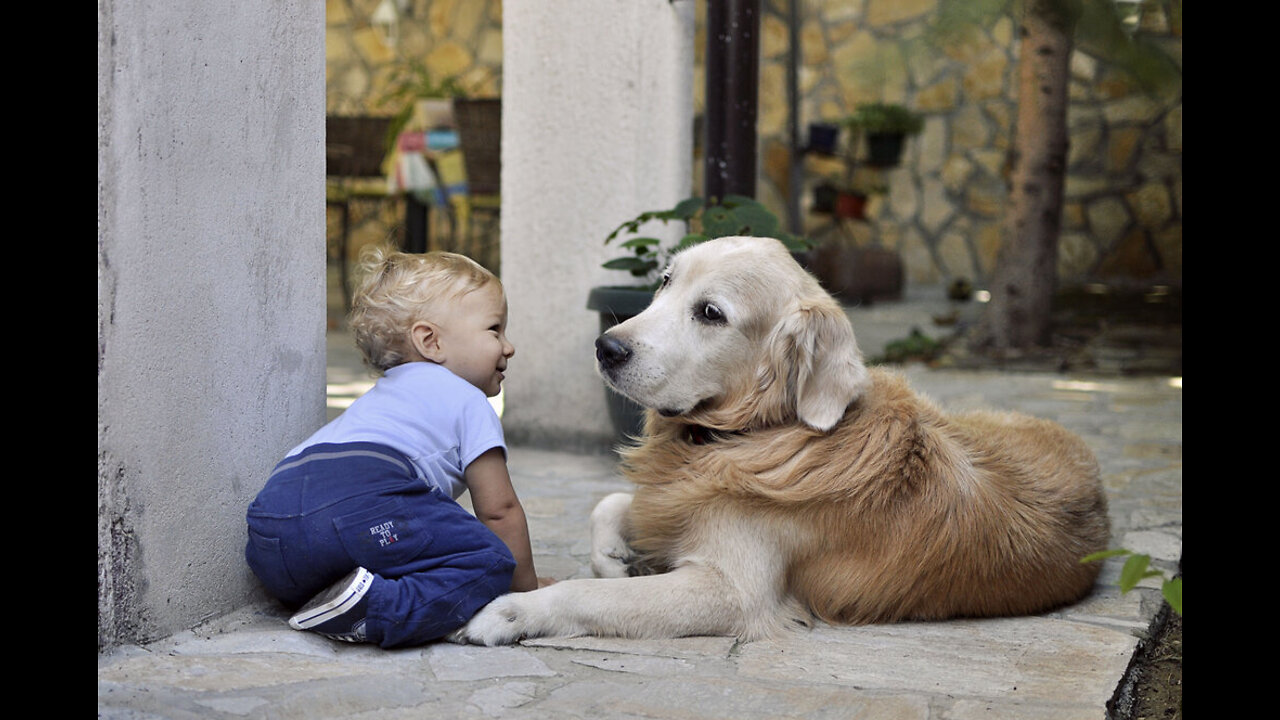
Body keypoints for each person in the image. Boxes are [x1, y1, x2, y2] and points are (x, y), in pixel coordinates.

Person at [245, 247, 546, 648]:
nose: (508, 347)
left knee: (402, 539)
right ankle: (378, 610)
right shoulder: (468, 399)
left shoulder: (381, 398)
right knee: (488, 561)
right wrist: (527, 594)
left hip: (271, 526)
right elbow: (499, 510)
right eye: (495, 330)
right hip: (360, 500)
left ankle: (339, 595)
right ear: (430, 341)